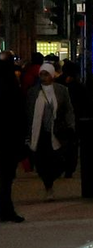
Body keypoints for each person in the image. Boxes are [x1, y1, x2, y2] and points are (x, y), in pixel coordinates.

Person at [26, 62, 74, 199]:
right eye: (41, 74)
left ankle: (51, 180)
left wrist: (70, 125)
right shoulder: (33, 92)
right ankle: (48, 185)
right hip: (40, 133)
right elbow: (28, 112)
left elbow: (68, 110)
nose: (43, 77)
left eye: (46, 74)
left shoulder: (61, 90)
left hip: (56, 131)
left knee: (57, 160)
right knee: (42, 161)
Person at [0, 57, 25, 222]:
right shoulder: (13, 90)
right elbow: (19, 117)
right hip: (9, 142)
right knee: (6, 179)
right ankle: (6, 210)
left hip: (7, 140)